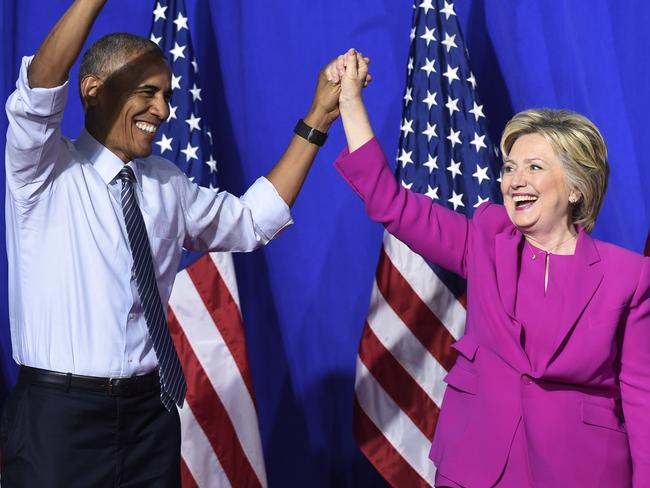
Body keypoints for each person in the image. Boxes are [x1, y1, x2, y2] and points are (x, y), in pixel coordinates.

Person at [0, 1, 367, 486]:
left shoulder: (166, 184)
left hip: (150, 418)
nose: (164, 110)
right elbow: (38, 90)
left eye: (167, 95)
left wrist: (319, 115)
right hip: (58, 421)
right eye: (148, 92)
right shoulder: (43, 170)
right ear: (93, 91)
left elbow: (252, 221)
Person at [329, 49, 650, 487]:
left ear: (577, 187)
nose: (515, 180)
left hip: (583, 469)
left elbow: (640, 395)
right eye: (510, 167)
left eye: (534, 168)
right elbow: (391, 203)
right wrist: (349, 101)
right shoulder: (486, 235)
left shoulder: (627, 276)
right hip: (477, 463)